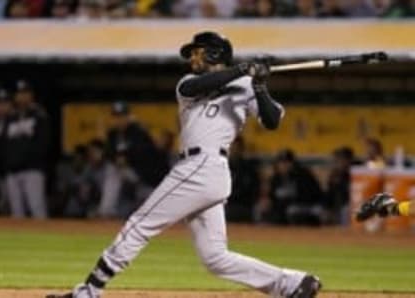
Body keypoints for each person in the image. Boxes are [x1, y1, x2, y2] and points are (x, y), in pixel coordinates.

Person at [46, 31, 321, 298]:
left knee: (140, 223)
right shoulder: (189, 83)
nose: (192, 58)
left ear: (214, 53)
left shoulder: (246, 86)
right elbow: (196, 86)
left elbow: (272, 121)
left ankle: (89, 291)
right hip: (200, 169)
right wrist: (244, 69)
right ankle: (293, 283)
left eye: (197, 52)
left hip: (205, 166)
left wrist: (259, 84)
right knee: (215, 258)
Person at [5, 79, 49, 218]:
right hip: (12, 171)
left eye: (25, 93)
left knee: (37, 209)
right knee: (16, 212)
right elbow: (4, 144)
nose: (22, 96)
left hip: (32, 170)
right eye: (19, 93)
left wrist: (27, 158)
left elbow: (44, 143)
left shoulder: (39, 115)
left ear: (31, 95)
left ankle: (45, 238)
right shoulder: (10, 117)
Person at [266, 149, 324, 226]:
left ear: (292, 163)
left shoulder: (303, 175)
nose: (283, 165)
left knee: (292, 210)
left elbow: (308, 197)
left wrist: (286, 202)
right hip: (286, 208)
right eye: (280, 162)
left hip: (309, 206)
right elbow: (272, 196)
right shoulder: (276, 178)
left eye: (286, 162)